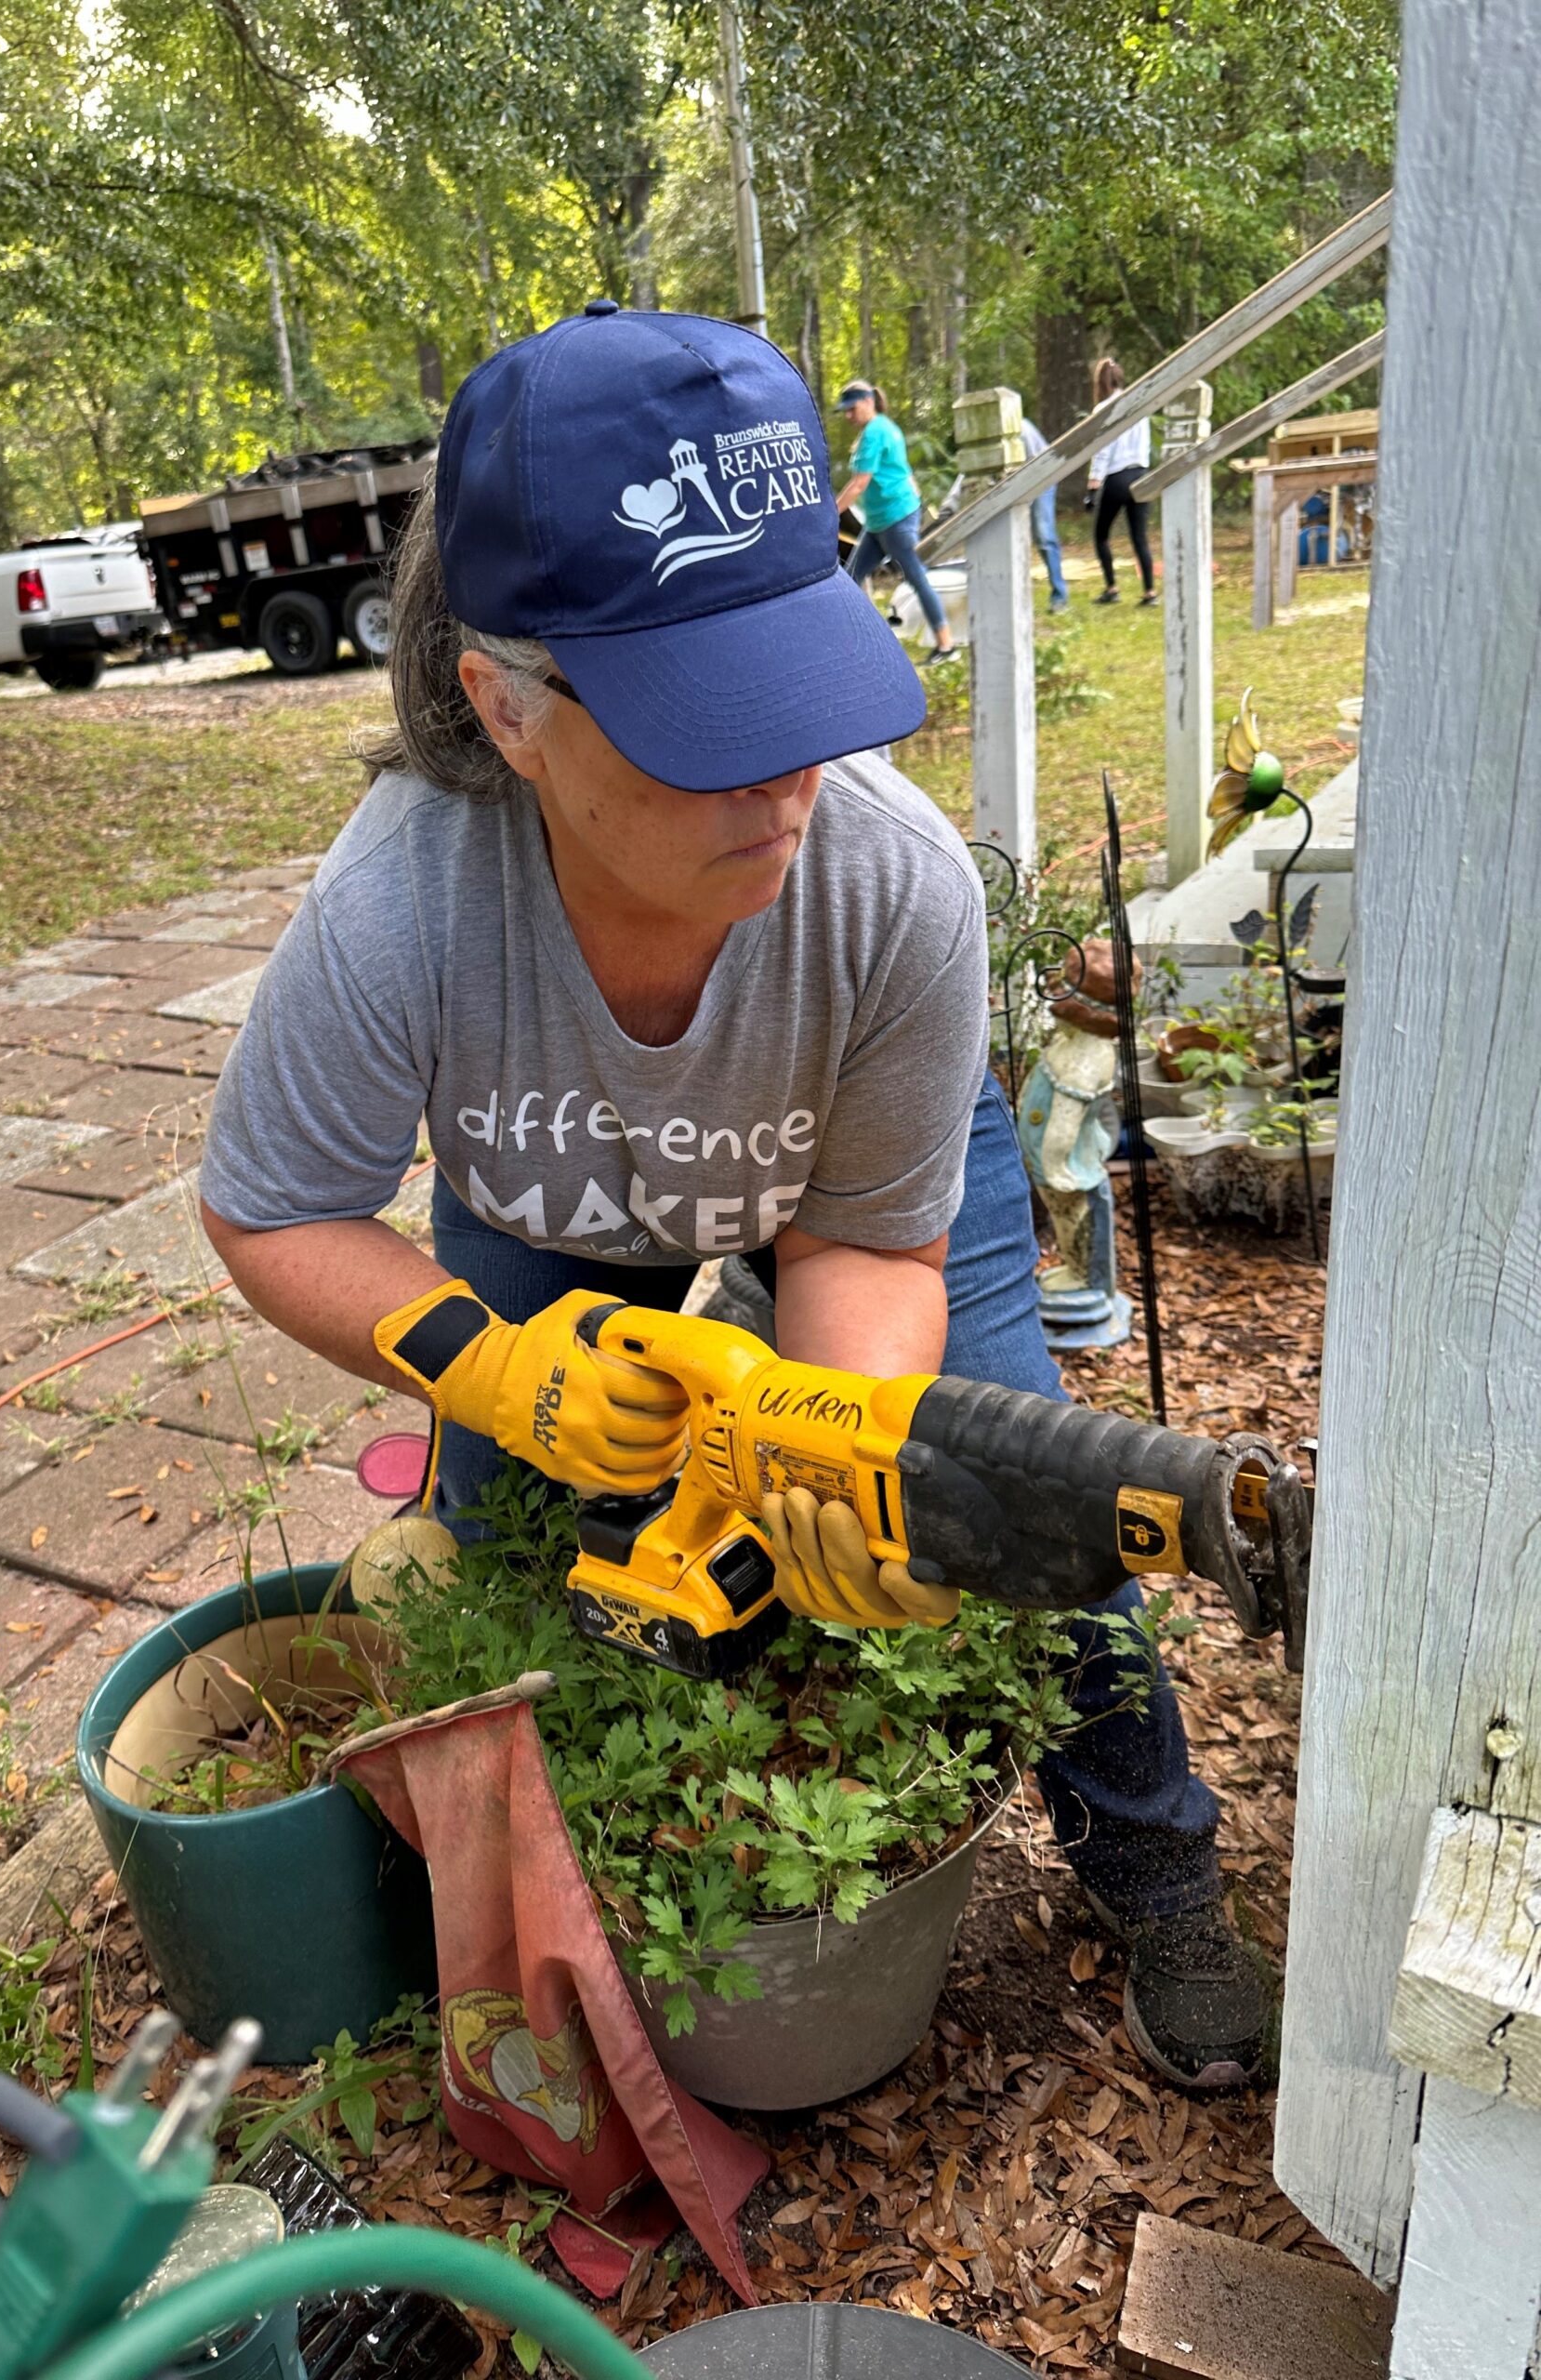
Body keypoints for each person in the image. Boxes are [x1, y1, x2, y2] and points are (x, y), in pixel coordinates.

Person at [199, 300, 1269, 2093]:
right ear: (506, 705)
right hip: (545, 1218)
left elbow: (864, 1235)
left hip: (844, 1170)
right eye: (709, 723)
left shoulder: (891, 884)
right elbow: (273, 1210)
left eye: (801, 686)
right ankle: (602, 1907)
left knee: (996, 1479)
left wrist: (834, 1429)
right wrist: (483, 1364)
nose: (787, 773)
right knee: (528, 1542)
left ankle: (1156, 1861)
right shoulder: (403, 909)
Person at [834, 380, 958, 665]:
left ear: (868, 402)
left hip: (895, 519)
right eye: (845, 411)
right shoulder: (882, 428)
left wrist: (831, 515)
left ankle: (946, 645)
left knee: (916, 577)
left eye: (852, 409)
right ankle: (860, 642)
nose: (848, 416)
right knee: (850, 578)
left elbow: (859, 483)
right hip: (879, 522)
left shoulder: (876, 432)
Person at [1086, 358, 1156, 605]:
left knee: (1101, 535)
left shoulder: (1103, 409)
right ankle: (1149, 592)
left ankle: (1112, 588)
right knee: (1140, 536)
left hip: (1117, 477)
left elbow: (1102, 451)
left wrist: (1093, 487)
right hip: (1140, 472)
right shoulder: (1139, 406)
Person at [1021, 415, 1070, 611]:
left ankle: (1060, 596)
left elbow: (1038, 466)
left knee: (1044, 536)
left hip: (1042, 478)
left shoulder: (1021, 430)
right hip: (1021, 482)